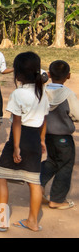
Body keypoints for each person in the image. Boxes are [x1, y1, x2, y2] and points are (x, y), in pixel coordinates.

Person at [0, 51, 49, 233]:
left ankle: (1, 219)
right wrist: (42, 140)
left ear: (17, 74)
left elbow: (17, 122)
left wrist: (16, 147)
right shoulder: (42, 92)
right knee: (34, 181)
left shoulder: (18, 94)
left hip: (20, 138)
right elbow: (44, 119)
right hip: (35, 138)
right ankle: (33, 222)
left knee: (1, 175)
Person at [40, 60, 78, 210]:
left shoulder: (42, 90)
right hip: (63, 136)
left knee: (52, 161)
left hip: (46, 135)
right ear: (68, 76)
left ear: (49, 75)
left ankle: (39, 185)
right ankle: (57, 199)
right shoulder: (68, 94)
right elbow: (76, 114)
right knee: (65, 165)